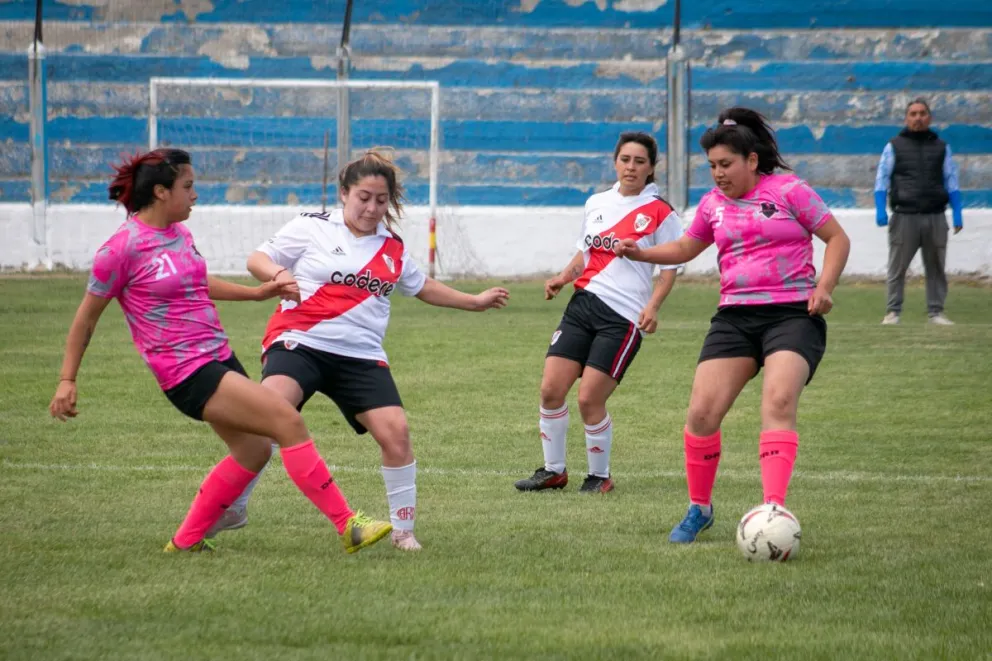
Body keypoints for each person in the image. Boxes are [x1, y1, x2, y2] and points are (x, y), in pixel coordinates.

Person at [48, 148, 393, 554]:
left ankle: (186, 541)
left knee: (253, 449)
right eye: (188, 186)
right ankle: (348, 523)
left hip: (217, 356)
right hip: (185, 371)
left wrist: (256, 293)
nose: (195, 195)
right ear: (161, 192)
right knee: (286, 420)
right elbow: (85, 319)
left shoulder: (179, 234)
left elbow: (195, 281)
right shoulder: (120, 250)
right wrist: (67, 380)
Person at [210, 150, 509, 551]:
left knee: (396, 434)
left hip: (361, 355)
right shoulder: (312, 226)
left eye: (381, 200)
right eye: (363, 197)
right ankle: (235, 506)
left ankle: (404, 531)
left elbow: (421, 287)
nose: (372, 208)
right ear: (344, 193)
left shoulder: (393, 248)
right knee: (272, 412)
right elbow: (257, 259)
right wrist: (279, 275)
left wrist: (474, 301)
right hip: (300, 341)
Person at [615, 108, 851, 542]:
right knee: (701, 413)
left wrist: (825, 285)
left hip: (793, 314)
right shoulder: (712, 204)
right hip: (735, 318)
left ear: (752, 161)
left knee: (778, 402)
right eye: (712, 167)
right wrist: (641, 253)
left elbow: (837, 238)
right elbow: (688, 246)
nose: (718, 174)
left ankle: (773, 511)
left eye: (726, 165)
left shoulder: (789, 191)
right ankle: (699, 509)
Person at [513, 131, 683, 495]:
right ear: (615, 161)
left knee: (590, 398)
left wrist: (652, 307)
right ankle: (553, 471)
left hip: (622, 317)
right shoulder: (596, 203)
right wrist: (562, 277)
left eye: (640, 161)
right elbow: (586, 253)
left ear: (652, 167)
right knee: (550, 390)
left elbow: (670, 268)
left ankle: (599, 475)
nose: (631, 167)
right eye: (625, 159)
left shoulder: (661, 212)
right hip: (581, 306)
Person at [875, 98, 963, 326]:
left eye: (922, 113)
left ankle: (936, 312)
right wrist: (880, 209)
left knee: (936, 267)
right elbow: (882, 178)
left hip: (935, 216)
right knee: (897, 267)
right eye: (913, 114)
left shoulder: (941, 147)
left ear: (929, 117)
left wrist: (957, 214)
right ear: (906, 118)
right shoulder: (894, 145)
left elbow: (951, 180)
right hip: (904, 215)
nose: (918, 117)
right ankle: (893, 312)